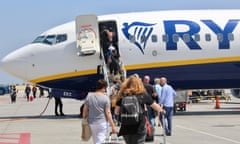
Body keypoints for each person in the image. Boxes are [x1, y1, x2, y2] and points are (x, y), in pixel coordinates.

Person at [114, 75, 163, 144]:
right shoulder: (142, 94)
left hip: (126, 127)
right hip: (139, 126)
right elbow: (155, 106)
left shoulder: (122, 95)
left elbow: (116, 112)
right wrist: (161, 110)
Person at [82, 79, 117, 144]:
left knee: (96, 141)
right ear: (103, 87)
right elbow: (108, 113)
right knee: (100, 141)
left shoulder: (89, 97)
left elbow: (84, 111)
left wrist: (84, 118)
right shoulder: (105, 98)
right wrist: (113, 126)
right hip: (102, 123)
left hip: (92, 123)